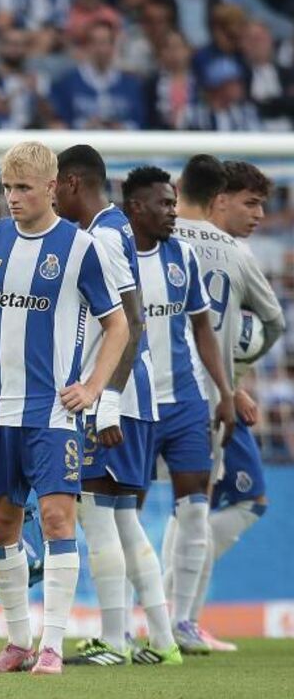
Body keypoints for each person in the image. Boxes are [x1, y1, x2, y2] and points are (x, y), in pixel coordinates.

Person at [0, 141, 128, 675]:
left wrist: (93, 387)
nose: (13, 197)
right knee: (1, 526)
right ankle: (18, 642)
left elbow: (118, 325)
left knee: (59, 520)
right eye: (7, 188)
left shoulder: (80, 247)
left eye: (23, 188)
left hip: (53, 415)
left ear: (51, 187)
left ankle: (53, 645)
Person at [53, 144, 177, 666]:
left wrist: (106, 401)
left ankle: (115, 640)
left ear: (72, 183)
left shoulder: (100, 238)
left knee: (97, 516)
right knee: (124, 520)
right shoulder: (112, 227)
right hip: (132, 393)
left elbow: (131, 321)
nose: (50, 197)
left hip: (115, 396)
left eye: (53, 185)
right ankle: (163, 641)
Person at [170, 158, 287, 651]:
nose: (259, 214)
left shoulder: (161, 239)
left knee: (171, 505)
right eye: (250, 203)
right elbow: (274, 322)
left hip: (168, 392)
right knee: (220, 501)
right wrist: (232, 381)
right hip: (207, 400)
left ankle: (173, 617)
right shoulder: (230, 253)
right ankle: (177, 616)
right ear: (219, 199)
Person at [123, 165, 236, 656]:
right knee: (126, 515)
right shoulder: (112, 256)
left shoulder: (182, 255)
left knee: (194, 509)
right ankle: (122, 623)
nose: (173, 212)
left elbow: (202, 327)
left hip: (186, 400)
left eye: (174, 202)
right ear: (136, 208)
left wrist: (225, 391)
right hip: (133, 402)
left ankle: (183, 621)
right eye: (164, 204)